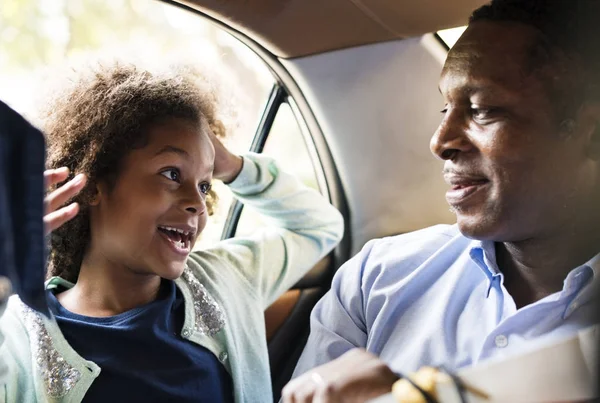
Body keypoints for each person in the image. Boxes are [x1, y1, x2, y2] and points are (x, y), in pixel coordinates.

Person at [282, 0, 600, 401]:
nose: (440, 142)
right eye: (445, 107)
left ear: (591, 132)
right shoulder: (376, 278)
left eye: (482, 110)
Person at [0, 62, 344, 402]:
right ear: (92, 186)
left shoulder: (225, 281)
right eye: (172, 174)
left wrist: (232, 166)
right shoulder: (19, 338)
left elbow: (319, 225)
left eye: (205, 185)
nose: (196, 201)